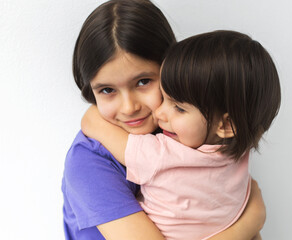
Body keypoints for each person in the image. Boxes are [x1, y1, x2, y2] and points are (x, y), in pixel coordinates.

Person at [62, 0, 266, 239]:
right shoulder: (88, 163)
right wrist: (252, 221)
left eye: (143, 81)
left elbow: (231, 194)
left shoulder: (184, 130)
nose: (129, 108)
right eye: (107, 90)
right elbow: (248, 206)